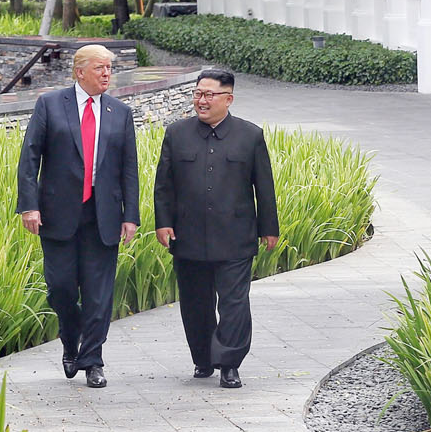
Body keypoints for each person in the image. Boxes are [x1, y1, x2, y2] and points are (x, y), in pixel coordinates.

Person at [17, 44, 139, 389]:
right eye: (100, 68)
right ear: (79, 71)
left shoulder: (120, 112)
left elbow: (129, 168)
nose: (106, 74)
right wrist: (29, 205)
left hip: (103, 215)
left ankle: (93, 360)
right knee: (61, 289)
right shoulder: (50, 104)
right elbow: (30, 157)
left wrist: (130, 215)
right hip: (58, 214)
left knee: (99, 294)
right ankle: (71, 339)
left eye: (109, 68)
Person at [154, 67, 278, 388]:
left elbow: (264, 186)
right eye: (198, 93)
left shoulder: (250, 135)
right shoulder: (177, 134)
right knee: (195, 303)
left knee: (234, 303)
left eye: (209, 95)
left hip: (235, 235)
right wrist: (163, 223)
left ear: (228, 99)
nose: (202, 100)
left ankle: (229, 363)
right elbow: (164, 185)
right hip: (188, 235)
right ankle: (203, 358)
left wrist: (269, 227)